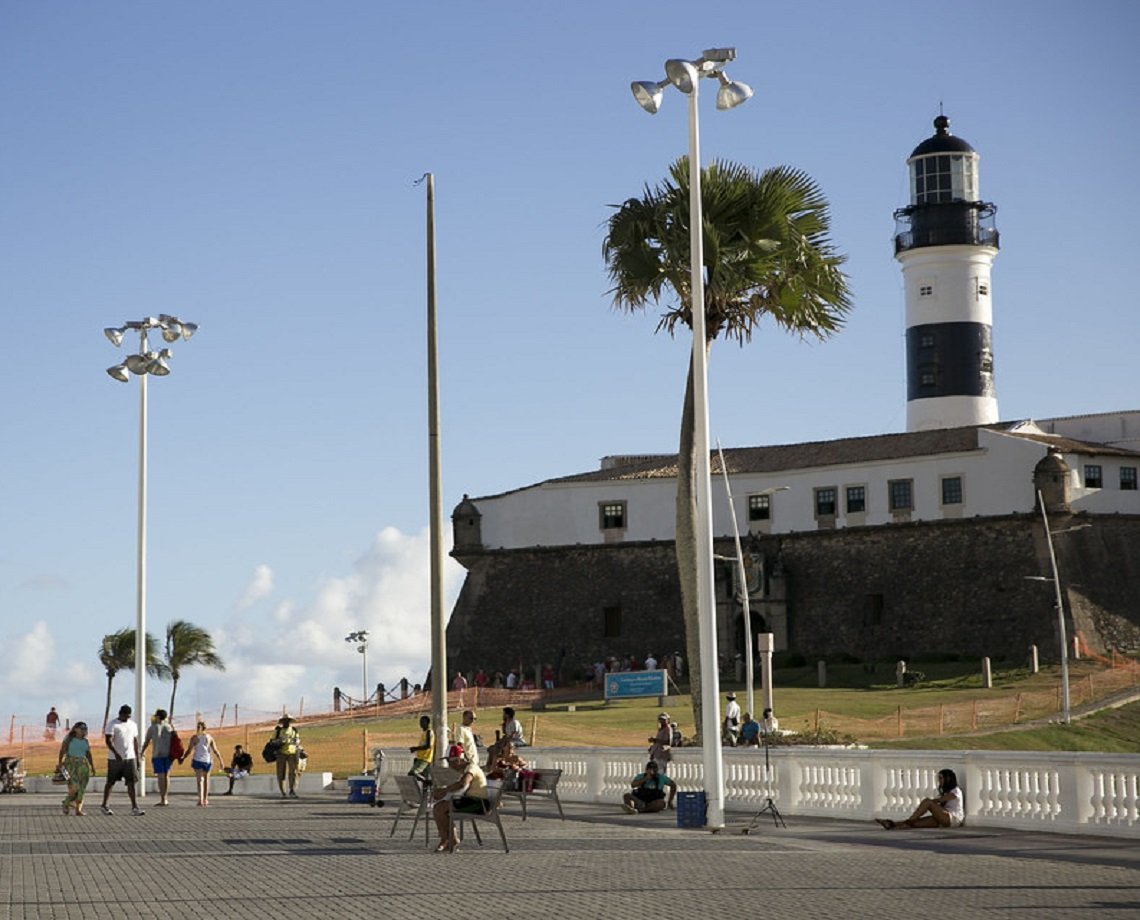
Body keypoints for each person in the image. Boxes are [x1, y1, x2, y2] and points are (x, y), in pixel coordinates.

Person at [431, 744, 489, 852]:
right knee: (439, 808)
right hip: (472, 801)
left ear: (457, 760)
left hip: (478, 804)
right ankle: (449, 839)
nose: (449, 765)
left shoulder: (471, 768)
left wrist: (444, 791)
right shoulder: (467, 769)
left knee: (439, 808)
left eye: (449, 761)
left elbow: (463, 784)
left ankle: (447, 840)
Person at [876, 768, 965, 829]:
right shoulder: (946, 791)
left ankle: (906, 821)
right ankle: (892, 824)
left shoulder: (955, 790)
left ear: (948, 779)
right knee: (916, 823)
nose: (939, 781)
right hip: (942, 818)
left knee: (927, 802)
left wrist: (932, 803)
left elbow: (943, 799)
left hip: (953, 819)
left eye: (941, 778)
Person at [101, 704, 144, 816]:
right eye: (125, 715)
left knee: (131, 783)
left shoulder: (133, 725)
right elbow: (108, 740)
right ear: (120, 714)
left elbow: (135, 741)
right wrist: (116, 753)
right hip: (115, 759)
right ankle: (104, 805)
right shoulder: (113, 724)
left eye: (129, 716)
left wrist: (137, 758)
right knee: (111, 782)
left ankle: (134, 807)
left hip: (130, 758)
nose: (127, 718)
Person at [180, 721, 224, 807]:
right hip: (207, 760)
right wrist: (221, 761)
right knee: (206, 780)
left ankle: (200, 799)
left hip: (198, 760)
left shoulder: (194, 738)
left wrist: (183, 757)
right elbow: (215, 750)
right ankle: (205, 799)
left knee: (200, 780)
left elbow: (189, 750)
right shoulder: (209, 737)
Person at [57, 722, 94, 816]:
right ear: (76, 729)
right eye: (82, 729)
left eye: (85, 729)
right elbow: (62, 751)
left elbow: (88, 754)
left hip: (83, 765)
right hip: (71, 765)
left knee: (82, 788)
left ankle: (78, 809)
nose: (84, 731)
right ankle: (67, 802)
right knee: (74, 787)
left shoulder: (85, 741)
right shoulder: (69, 740)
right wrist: (60, 763)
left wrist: (92, 766)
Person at [140, 708, 175, 806]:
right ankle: (166, 797)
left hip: (157, 754)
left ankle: (163, 798)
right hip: (168, 755)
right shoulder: (170, 727)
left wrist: (142, 751)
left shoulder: (153, 728)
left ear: (158, 717)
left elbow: (147, 741)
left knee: (160, 776)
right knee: (167, 775)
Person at [273, 716, 302, 798]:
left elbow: (297, 740)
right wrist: (279, 741)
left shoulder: (294, 730)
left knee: (293, 772)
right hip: (280, 753)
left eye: (288, 721)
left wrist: (290, 741)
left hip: (292, 753)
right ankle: (283, 792)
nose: (286, 722)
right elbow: (272, 741)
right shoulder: (278, 730)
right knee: (280, 773)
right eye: (285, 721)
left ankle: (292, 790)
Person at [408, 715, 435, 786]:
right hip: (420, 757)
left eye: (423, 722)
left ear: (427, 723)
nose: (421, 724)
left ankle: (428, 782)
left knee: (412, 773)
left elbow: (428, 746)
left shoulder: (429, 732)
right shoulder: (424, 732)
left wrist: (415, 748)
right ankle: (426, 790)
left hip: (425, 758)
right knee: (423, 777)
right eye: (420, 722)